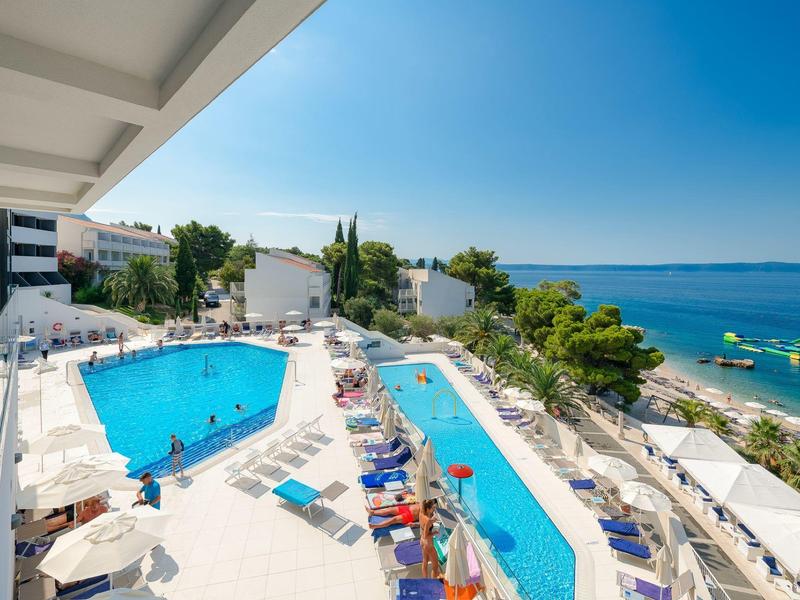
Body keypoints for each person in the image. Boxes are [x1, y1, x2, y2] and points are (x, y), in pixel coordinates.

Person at [419, 499, 440, 578]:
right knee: (435, 567)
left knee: (425, 562)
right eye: (432, 508)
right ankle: (433, 584)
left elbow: (423, 527)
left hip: (422, 542)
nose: (433, 510)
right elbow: (426, 535)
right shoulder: (427, 520)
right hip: (428, 544)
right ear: (428, 509)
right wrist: (434, 533)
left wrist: (431, 521)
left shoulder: (421, 513)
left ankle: (425, 580)